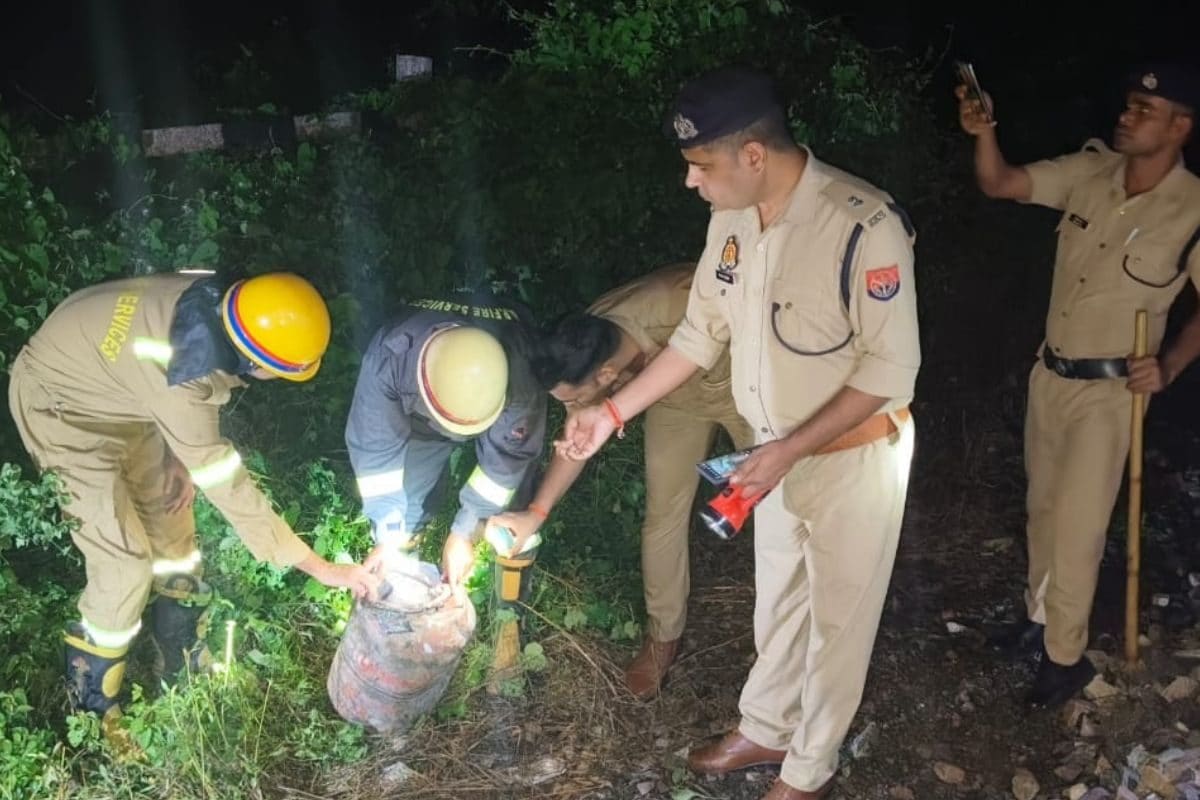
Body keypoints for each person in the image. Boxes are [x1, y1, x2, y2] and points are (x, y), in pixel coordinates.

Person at [557, 65, 920, 800]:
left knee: (837, 620)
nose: (691, 183)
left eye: (700, 166)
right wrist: (611, 411)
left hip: (853, 460)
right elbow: (698, 335)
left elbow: (892, 369)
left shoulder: (864, 224)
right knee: (777, 602)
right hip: (771, 455)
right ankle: (766, 726)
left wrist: (786, 450)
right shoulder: (731, 218)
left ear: (753, 156)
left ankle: (808, 770)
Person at [7, 269, 381, 757]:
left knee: (174, 531)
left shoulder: (220, 300)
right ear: (253, 359)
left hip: (120, 396)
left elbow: (156, 383)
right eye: (281, 371)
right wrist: (323, 568)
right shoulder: (182, 375)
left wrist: (179, 456)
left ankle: (180, 657)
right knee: (124, 565)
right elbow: (228, 483)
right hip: (59, 409)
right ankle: (91, 709)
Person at [957, 63, 1200, 707]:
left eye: (1146, 109)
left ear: (1181, 126)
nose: (1127, 115)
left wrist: (1170, 365)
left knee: (1079, 527)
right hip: (1051, 374)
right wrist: (984, 132)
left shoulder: (1194, 209)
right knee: (1042, 509)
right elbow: (1001, 183)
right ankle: (1038, 624)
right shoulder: (1089, 173)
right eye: (1128, 104)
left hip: (1112, 393)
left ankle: (1065, 659)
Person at [488, 262, 754, 699]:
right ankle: (663, 637)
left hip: (743, 385)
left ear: (608, 377)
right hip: (675, 401)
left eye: (573, 400)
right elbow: (579, 439)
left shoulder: (674, 302)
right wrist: (536, 513)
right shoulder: (589, 340)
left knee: (782, 504)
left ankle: (789, 639)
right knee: (662, 513)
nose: (570, 409)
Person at [344, 290, 547, 686]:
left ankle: (509, 623)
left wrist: (466, 532)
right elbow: (375, 452)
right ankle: (405, 603)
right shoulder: (390, 356)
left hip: (498, 405)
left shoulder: (521, 377)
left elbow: (506, 460)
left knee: (512, 518)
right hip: (421, 412)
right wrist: (387, 530)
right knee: (403, 503)